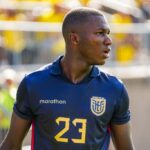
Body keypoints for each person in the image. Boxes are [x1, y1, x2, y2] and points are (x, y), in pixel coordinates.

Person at [0, 7, 135, 150]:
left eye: (108, 34)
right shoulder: (34, 84)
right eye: (100, 33)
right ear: (74, 38)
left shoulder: (114, 89)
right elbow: (11, 145)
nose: (109, 41)